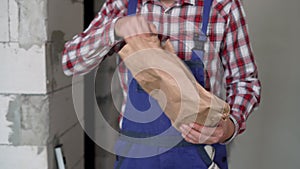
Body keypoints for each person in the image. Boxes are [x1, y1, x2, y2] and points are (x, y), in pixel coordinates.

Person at [62, 0, 261, 168]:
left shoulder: (223, 6)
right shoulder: (122, 4)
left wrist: (229, 127)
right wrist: (114, 29)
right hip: (137, 155)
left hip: (200, 153)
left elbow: (245, 81)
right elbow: (71, 62)